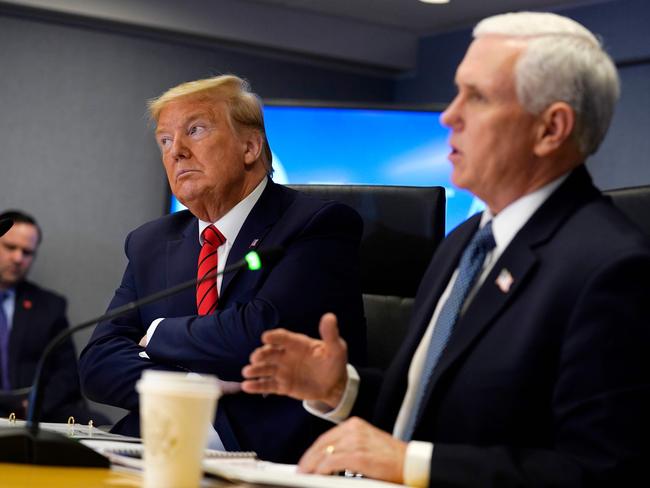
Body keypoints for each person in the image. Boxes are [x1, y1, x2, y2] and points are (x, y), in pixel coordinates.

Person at [241, 12, 650, 486]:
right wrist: (340, 389)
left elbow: (604, 474)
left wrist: (412, 465)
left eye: (476, 97)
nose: (448, 116)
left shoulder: (611, 268)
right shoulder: (465, 241)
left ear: (551, 129)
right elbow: (433, 412)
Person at [78, 75, 366, 463]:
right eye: (165, 140)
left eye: (194, 130)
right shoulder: (151, 242)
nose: (176, 151)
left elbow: (259, 335)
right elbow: (98, 363)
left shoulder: (317, 224)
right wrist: (193, 387)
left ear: (250, 146)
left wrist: (157, 333)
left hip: (269, 458)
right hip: (155, 447)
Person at [0, 210, 94, 422]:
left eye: (27, 252)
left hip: (35, 411)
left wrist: (34, 404)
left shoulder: (49, 306)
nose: (18, 258)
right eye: (10, 247)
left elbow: (67, 373)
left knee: (98, 422)